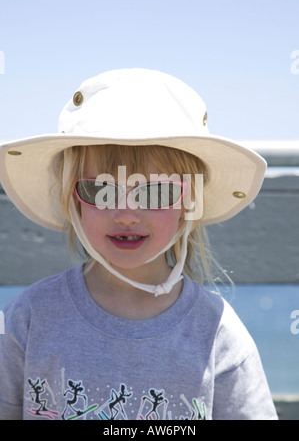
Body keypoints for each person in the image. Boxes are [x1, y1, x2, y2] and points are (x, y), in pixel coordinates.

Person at [0, 68, 278, 420]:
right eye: (100, 190)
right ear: (72, 199)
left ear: (187, 203)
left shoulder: (218, 332)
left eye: (157, 191)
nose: (127, 214)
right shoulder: (28, 319)